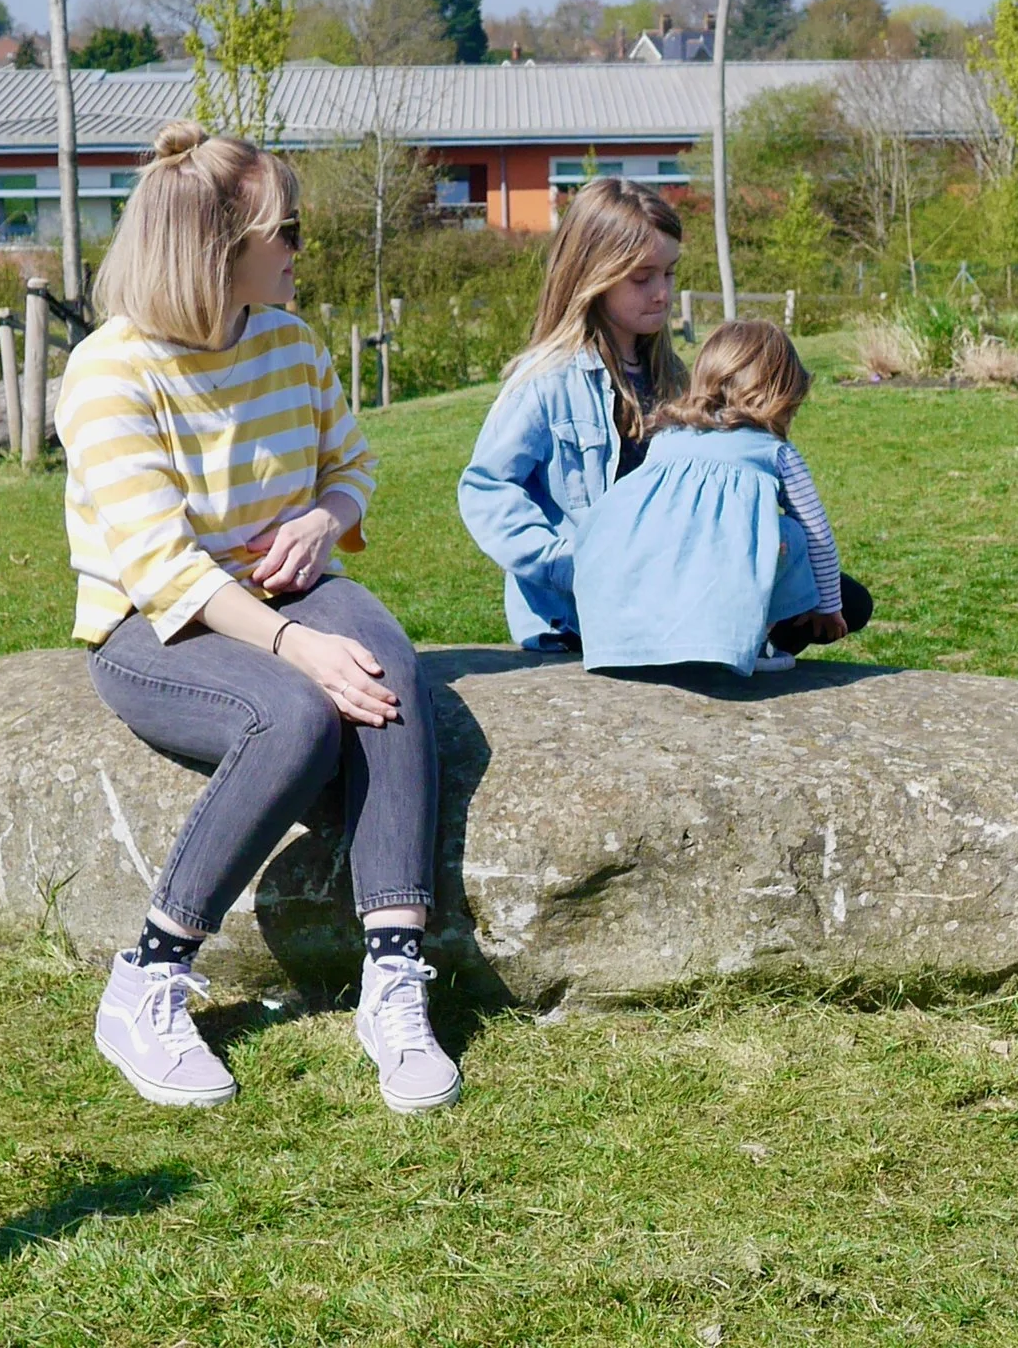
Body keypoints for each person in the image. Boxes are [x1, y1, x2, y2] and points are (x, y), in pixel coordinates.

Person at [56, 121, 461, 1115]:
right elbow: (159, 567)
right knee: (296, 712)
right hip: (154, 622)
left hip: (283, 585)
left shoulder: (287, 342)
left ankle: (392, 985)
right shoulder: (112, 373)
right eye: (287, 229)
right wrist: (294, 645)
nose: (298, 249)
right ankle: (146, 977)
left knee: (388, 670)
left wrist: (328, 519)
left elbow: (352, 466)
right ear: (217, 249)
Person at [457, 177, 687, 650]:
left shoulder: (675, 377)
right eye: (642, 278)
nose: (662, 293)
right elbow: (486, 489)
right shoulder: (544, 382)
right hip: (573, 623)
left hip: (659, 598)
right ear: (593, 274)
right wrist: (563, 564)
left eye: (669, 274)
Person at [571, 318, 872, 677]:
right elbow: (818, 535)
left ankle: (646, 638)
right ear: (782, 394)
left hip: (650, 577)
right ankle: (756, 641)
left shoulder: (666, 438)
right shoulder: (775, 451)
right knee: (790, 534)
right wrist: (829, 606)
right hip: (724, 578)